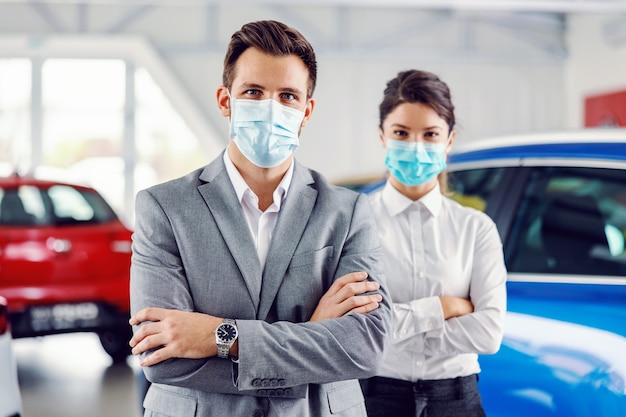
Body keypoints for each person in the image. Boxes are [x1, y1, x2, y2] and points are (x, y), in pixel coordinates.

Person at [128, 20, 392, 417]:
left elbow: (365, 347)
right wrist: (315, 336)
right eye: (253, 92)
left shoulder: (349, 212)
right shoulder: (164, 208)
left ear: (307, 111)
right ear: (225, 100)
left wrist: (221, 336)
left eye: (288, 96)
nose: (272, 108)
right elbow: (163, 357)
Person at [359, 69, 507, 417]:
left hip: (456, 399)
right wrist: (441, 308)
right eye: (401, 133)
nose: (416, 146)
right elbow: (357, 329)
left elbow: (489, 333)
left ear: (449, 140)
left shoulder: (476, 228)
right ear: (382, 136)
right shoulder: (356, 222)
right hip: (376, 396)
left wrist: (394, 326)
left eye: (430, 134)